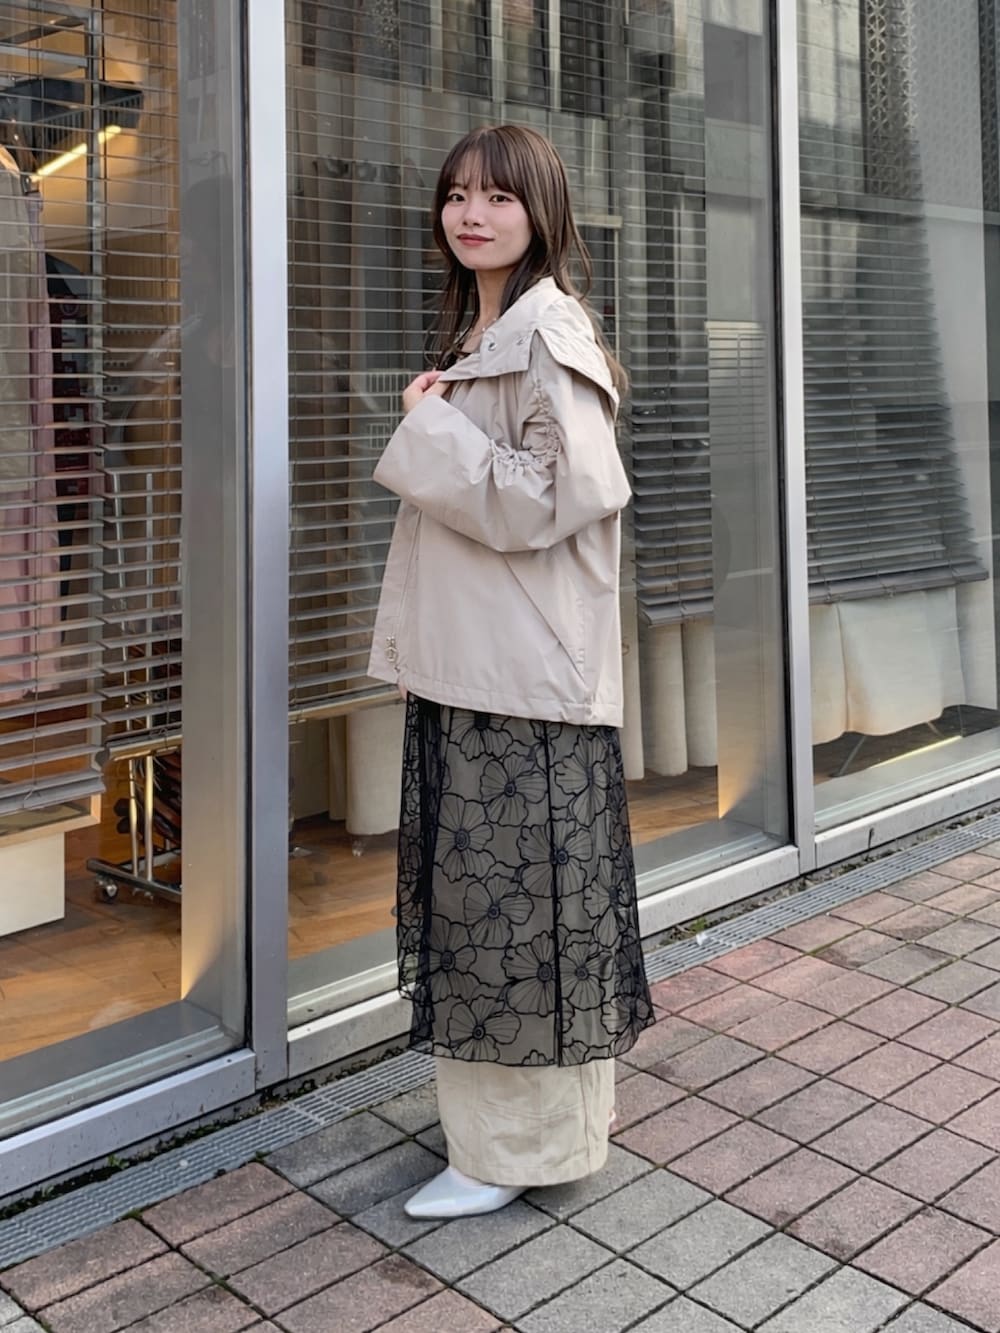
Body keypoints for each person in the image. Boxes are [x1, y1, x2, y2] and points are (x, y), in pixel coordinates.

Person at [368, 124, 653, 1220]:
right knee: (507, 913)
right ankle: (523, 1140)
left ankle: (503, 1156)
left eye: (496, 196)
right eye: (456, 195)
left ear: (541, 211)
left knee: (507, 918)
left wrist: (428, 430)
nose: (471, 214)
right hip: (489, 675)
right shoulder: (492, 330)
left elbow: (561, 494)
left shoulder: (546, 331)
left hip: (521, 690)